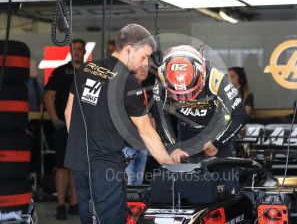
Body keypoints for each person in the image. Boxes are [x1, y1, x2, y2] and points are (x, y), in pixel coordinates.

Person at [64, 24, 188, 224]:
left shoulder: (86, 69)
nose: (145, 63)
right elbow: (146, 130)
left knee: (89, 218)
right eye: (144, 56)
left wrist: (83, 148)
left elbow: (69, 112)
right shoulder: (127, 83)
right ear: (129, 49)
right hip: (106, 168)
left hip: (81, 165)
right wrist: (168, 163)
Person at [152, 45, 247, 192]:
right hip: (187, 138)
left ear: (201, 73)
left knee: (227, 190)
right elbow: (160, 114)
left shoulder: (216, 78)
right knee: (183, 191)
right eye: (179, 94)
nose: (185, 98)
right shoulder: (162, 77)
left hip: (217, 137)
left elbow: (239, 114)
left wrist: (217, 143)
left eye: (188, 92)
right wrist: (172, 147)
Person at [43, 39, 85, 220]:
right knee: (62, 166)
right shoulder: (60, 72)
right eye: (73, 49)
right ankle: (61, 205)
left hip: (82, 128)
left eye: (79, 49)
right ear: (69, 51)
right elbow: (47, 96)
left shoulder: (89, 72)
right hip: (62, 127)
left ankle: (75, 203)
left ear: (84, 52)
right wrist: (55, 120)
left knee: (77, 166)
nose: (76, 52)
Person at [122, 65, 150, 186]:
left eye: (146, 67)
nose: (144, 70)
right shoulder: (125, 90)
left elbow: (150, 118)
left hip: (143, 145)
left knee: (137, 186)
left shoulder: (145, 91)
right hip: (127, 145)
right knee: (128, 186)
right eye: (139, 67)